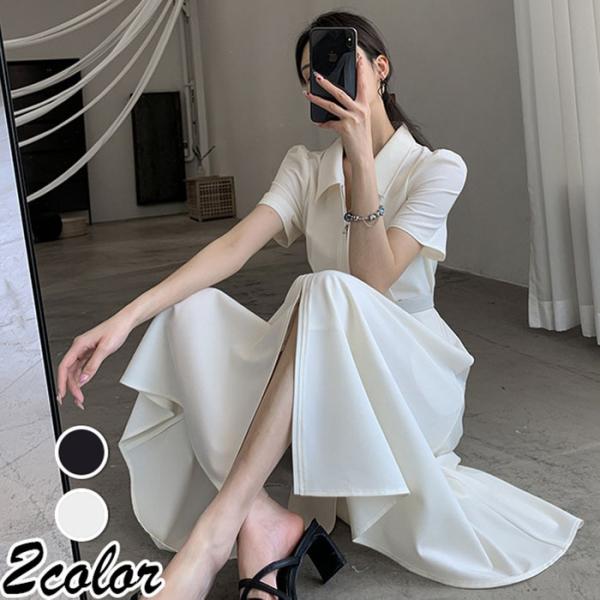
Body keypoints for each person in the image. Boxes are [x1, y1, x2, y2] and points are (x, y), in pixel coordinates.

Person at [56, 10, 584, 600]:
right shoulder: (305, 167)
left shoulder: (437, 169)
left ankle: (213, 536)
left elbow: (371, 282)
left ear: (380, 69)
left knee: (326, 286)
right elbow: (233, 248)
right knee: (189, 312)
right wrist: (125, 319)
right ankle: (260, 519)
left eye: (340, 65)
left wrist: (361, 159)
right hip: (319, 360)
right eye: (312, 77)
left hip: (405, 376)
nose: (325, 82)